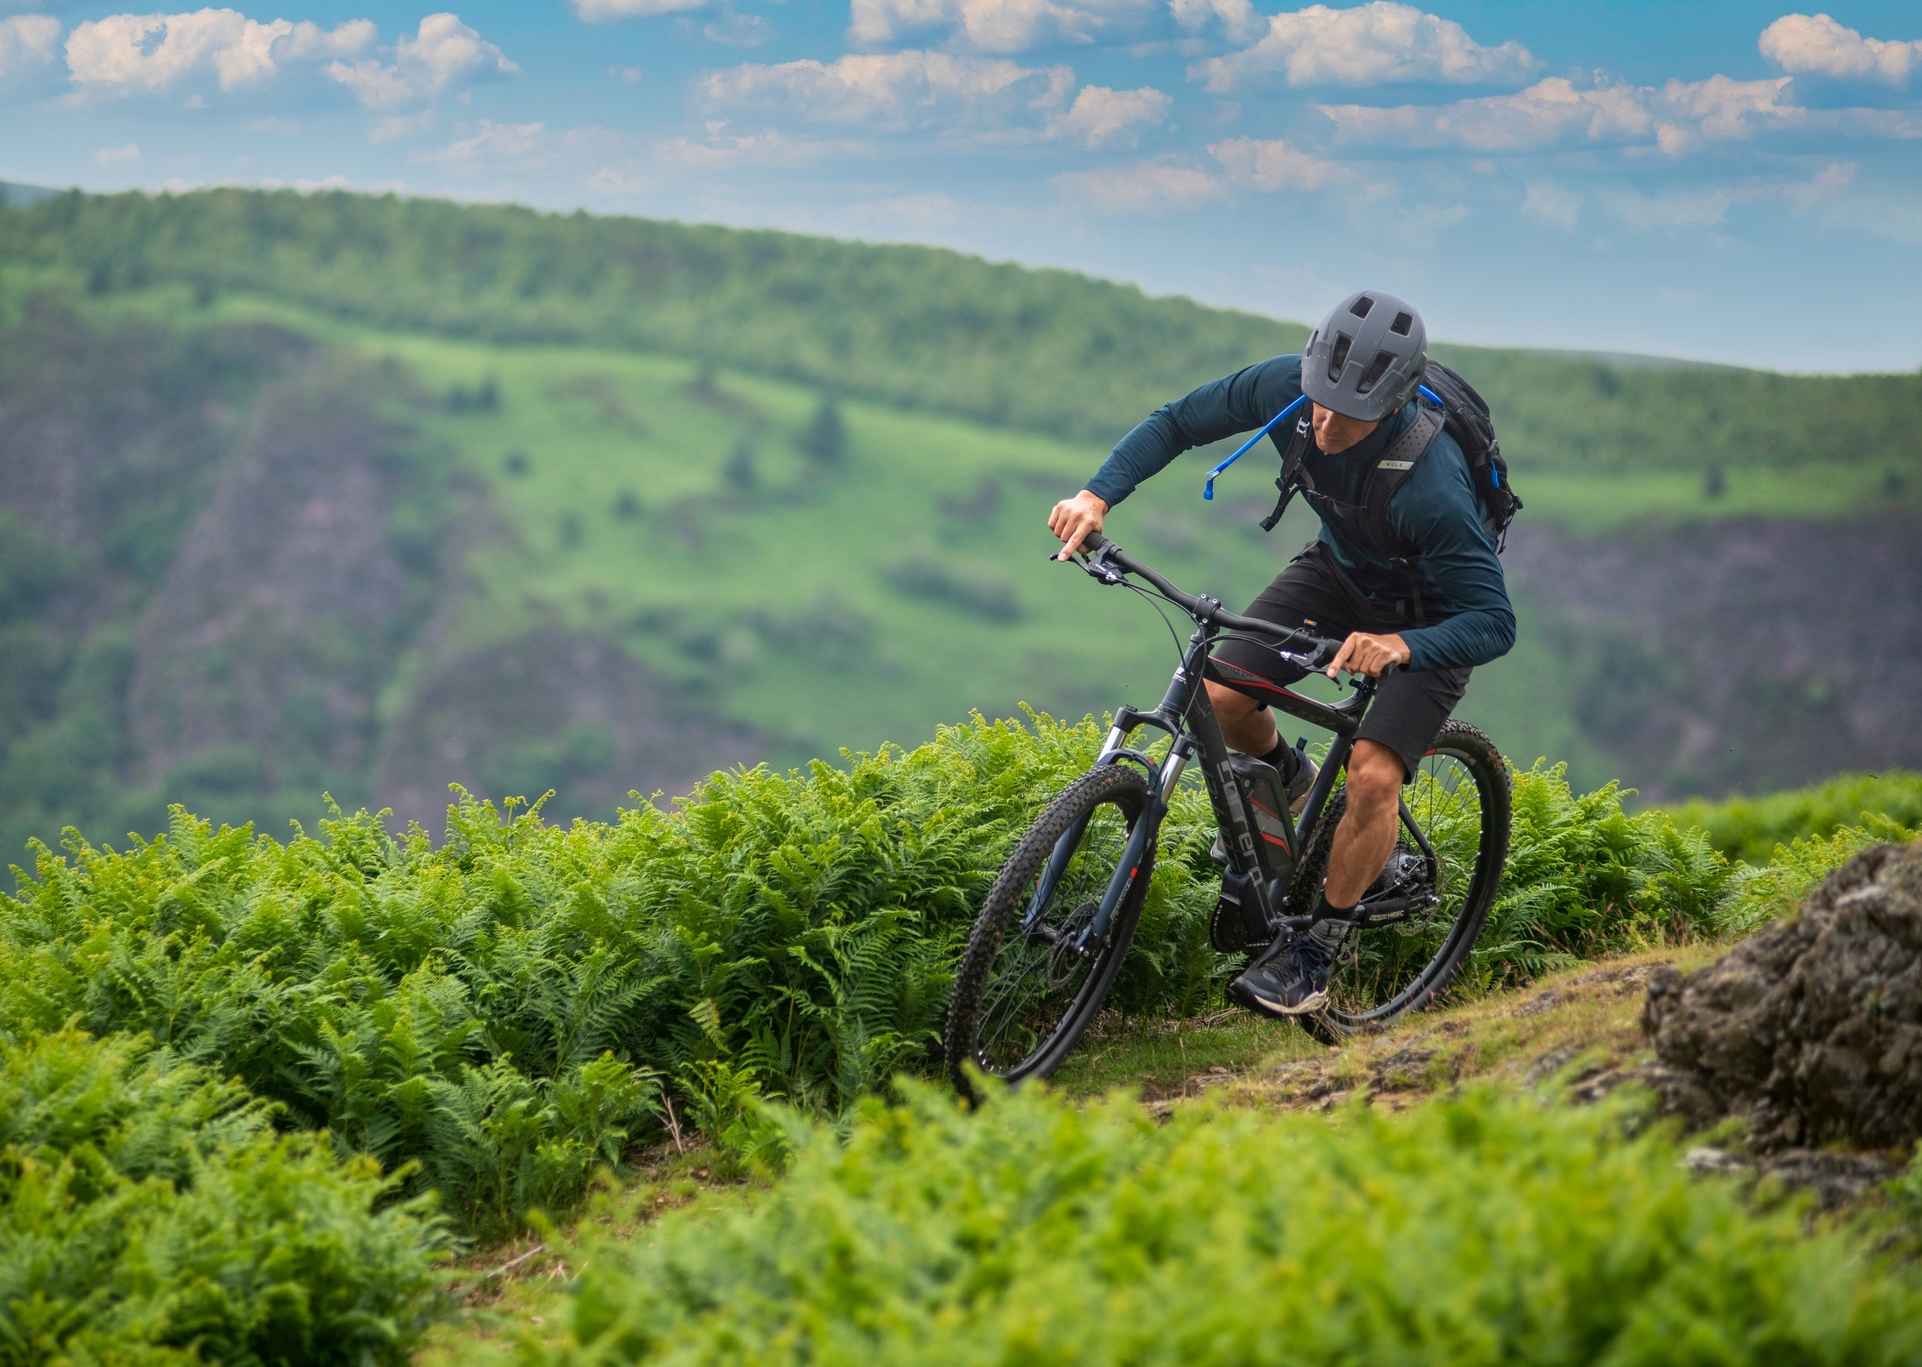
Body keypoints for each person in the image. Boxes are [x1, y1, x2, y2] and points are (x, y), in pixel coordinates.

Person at [1046, 289, 1516, 1018]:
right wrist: (1096, 495)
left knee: (1370, 772)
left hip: (1432, 616)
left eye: (1344, 412)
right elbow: (1177, 421)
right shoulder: (1289, 390)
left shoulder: (1433, 488)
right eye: (1317, 398)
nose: (1321, 420)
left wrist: (1401, 644)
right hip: (1341, 572)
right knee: (1222, 696)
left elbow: (1494, 619)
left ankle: (1313, 951)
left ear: (1391, 407)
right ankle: (1294, 787)